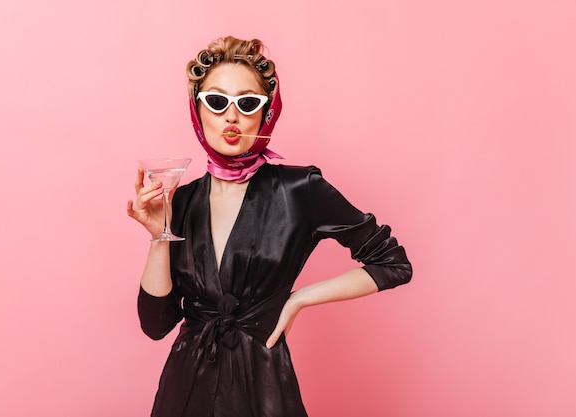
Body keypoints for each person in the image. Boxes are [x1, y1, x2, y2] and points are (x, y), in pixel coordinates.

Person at [126, 36, 412, 417]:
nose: (231, 117)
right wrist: (158, 235)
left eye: (247, 103)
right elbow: (156, 324)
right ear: (198, 112)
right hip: (185, 389)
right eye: (216, 101)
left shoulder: (300, 190)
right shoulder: (182, 200)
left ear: (267, 113)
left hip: (262, 386)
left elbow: (393, 263)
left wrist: (298, 299)